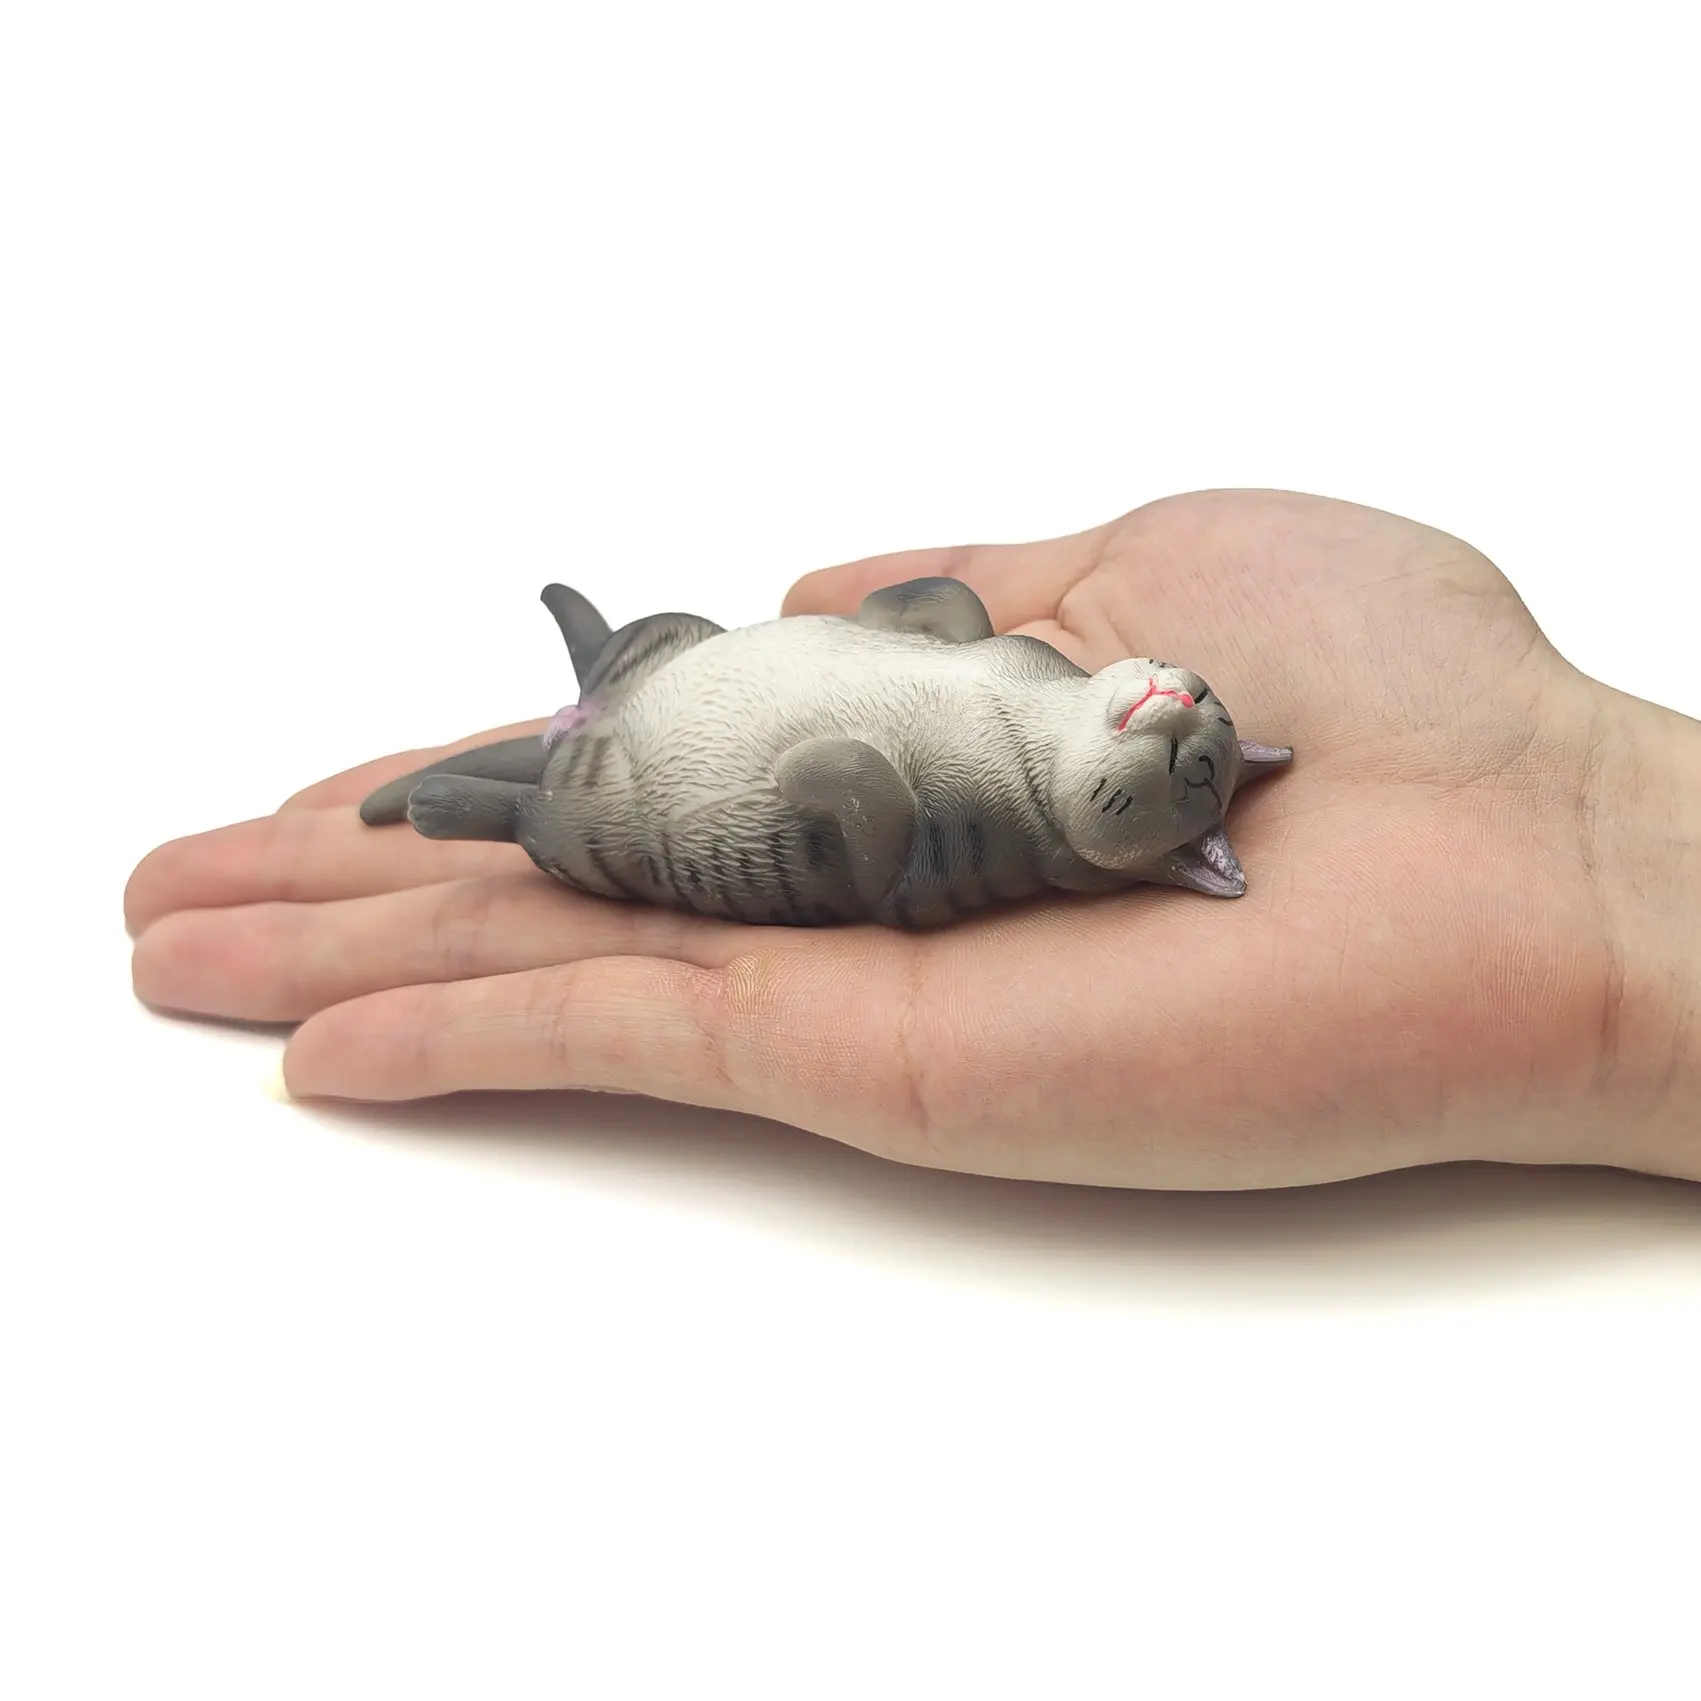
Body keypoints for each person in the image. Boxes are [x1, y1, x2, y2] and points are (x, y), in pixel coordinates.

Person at [123, 489, 1700, 1188]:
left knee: (549, 788)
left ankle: (507, 800)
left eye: (1172, 783)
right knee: (655, 661)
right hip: (699, 675)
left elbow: (847, 807)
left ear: (1159, 858)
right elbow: (923, 620)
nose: (1174, 724)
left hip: (652, 793)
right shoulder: (1043, 692)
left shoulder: (987, 821)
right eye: (1211, 731)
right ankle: (585, 701)